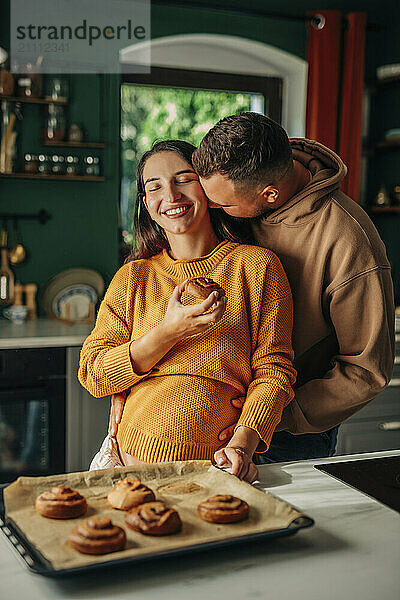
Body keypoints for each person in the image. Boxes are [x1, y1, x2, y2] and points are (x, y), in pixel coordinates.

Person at [78, 140, 296, 482]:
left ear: (207, 188)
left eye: (184, 179)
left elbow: (274, 371)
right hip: (127, 470)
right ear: (147, 205)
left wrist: (243, 441)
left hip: (217, 470)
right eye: (155, 187)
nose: (171, 195)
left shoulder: (257, 267)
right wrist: (169, 331)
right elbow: (93, 373)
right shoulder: (134, 277)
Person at [189, 112, 395, 463]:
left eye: (222, 204)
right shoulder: (239, 192)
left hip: (287, 434)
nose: (211, 210)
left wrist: (268, 417)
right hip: (206, 414)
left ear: (270, 194)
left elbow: (366, 372)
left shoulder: (348, 241)